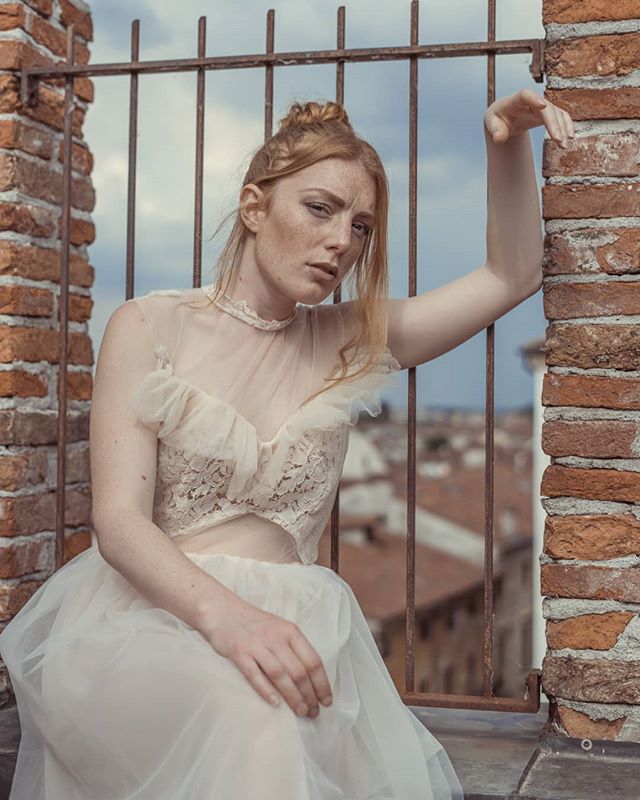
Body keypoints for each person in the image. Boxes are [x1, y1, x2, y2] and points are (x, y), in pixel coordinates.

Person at [0, 91, 572, 799]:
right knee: (260, 711)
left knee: (281, 712)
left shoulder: (350, 338)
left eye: (361, 226)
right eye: (321, 209)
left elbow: (511, 276)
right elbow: (118, 523)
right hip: (147, 623)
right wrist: (234, 623)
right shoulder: (147, 326)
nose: (342, 242)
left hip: (303, 628)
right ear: (253, 207)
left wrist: (502, 142)